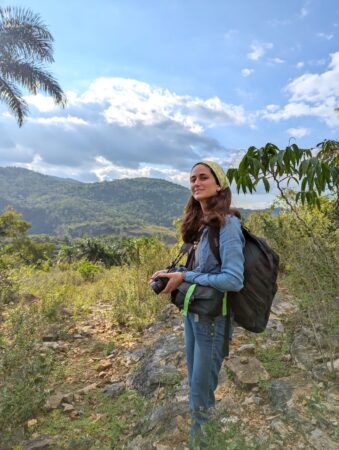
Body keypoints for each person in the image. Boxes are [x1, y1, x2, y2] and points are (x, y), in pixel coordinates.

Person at [150, 161, 245, 444]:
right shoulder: (203, 226)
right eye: (192, 179)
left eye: (203, 177)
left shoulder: (228, 225)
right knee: (195, 386)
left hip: (213, 321)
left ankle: (202, 442)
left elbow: (233, 279)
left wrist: (185, 276)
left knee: (199, 396)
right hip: (193, 315)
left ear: (219, 184)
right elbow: (201, 271)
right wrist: (171, 275)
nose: (196, 183)